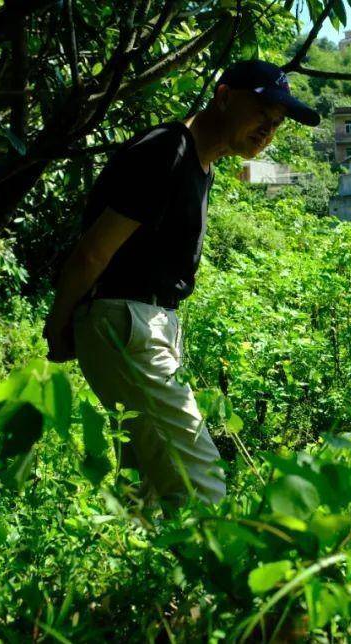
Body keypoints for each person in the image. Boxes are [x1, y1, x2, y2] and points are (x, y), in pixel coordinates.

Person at [42, 60, 320, 507]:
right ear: (224, 96)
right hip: (125, 319)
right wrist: (59, 323)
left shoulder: (201, 164)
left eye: (276, 123)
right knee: (199, 481)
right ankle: (215, 571)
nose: (268, 129)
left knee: (146, 488)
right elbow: (93, 252)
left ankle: (133, 573)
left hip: (148, 322)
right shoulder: (166, 151)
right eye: (261, 112)